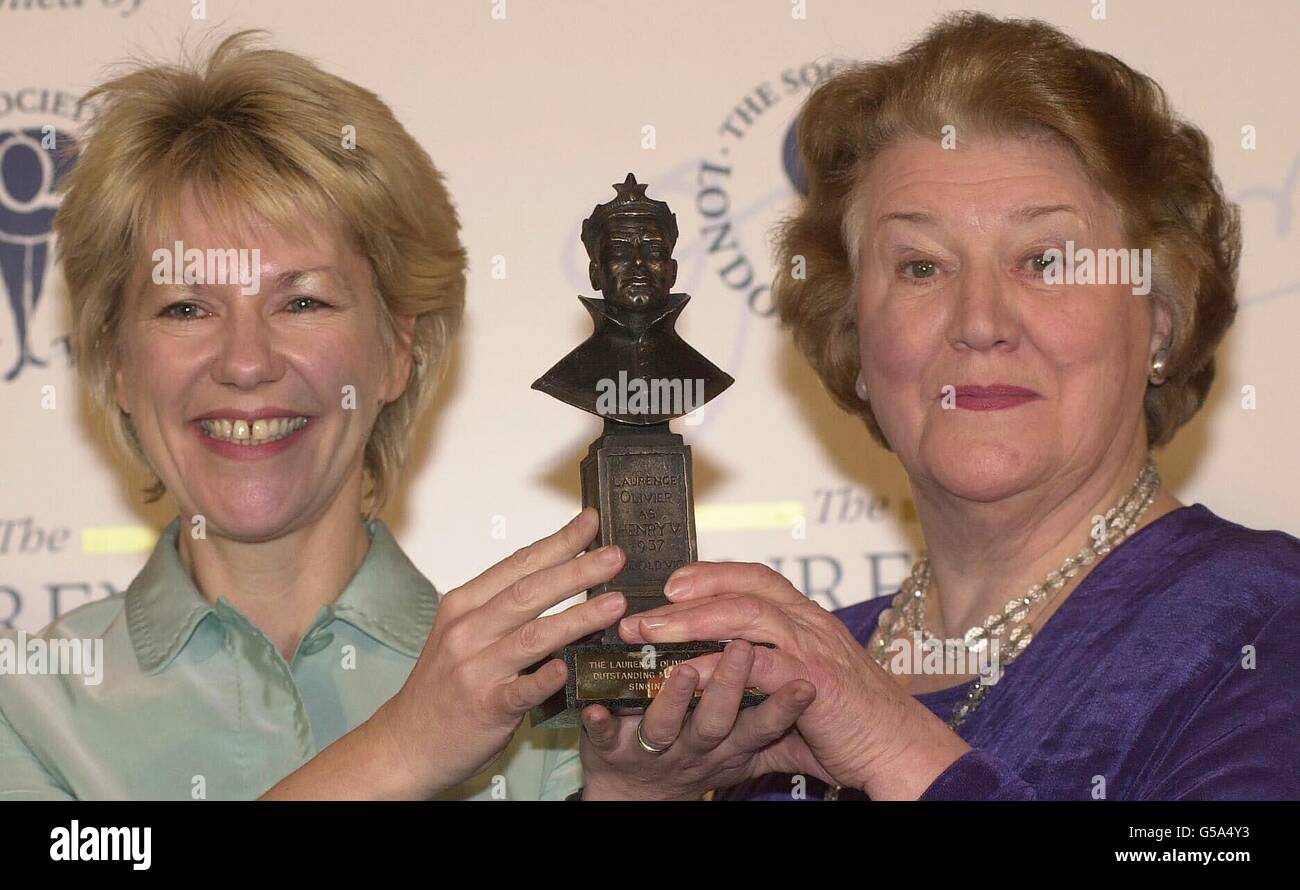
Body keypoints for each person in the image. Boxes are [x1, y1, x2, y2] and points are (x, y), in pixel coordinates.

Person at [575, 12, 1300, 800]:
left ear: (1159, 316)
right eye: (921, 267)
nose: (980, 322)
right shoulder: (796, 672)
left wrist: (893, 749)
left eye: (1045, 260)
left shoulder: (1264, 625)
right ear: (854, 333)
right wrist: (639, 794)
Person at [0, 31, 636, 801]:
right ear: (117, 363)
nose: (244, 361)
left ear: (399, 346)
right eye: (187, 306)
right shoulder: (26, 708)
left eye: (303, 300)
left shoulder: (558, 705)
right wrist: (402, 750)